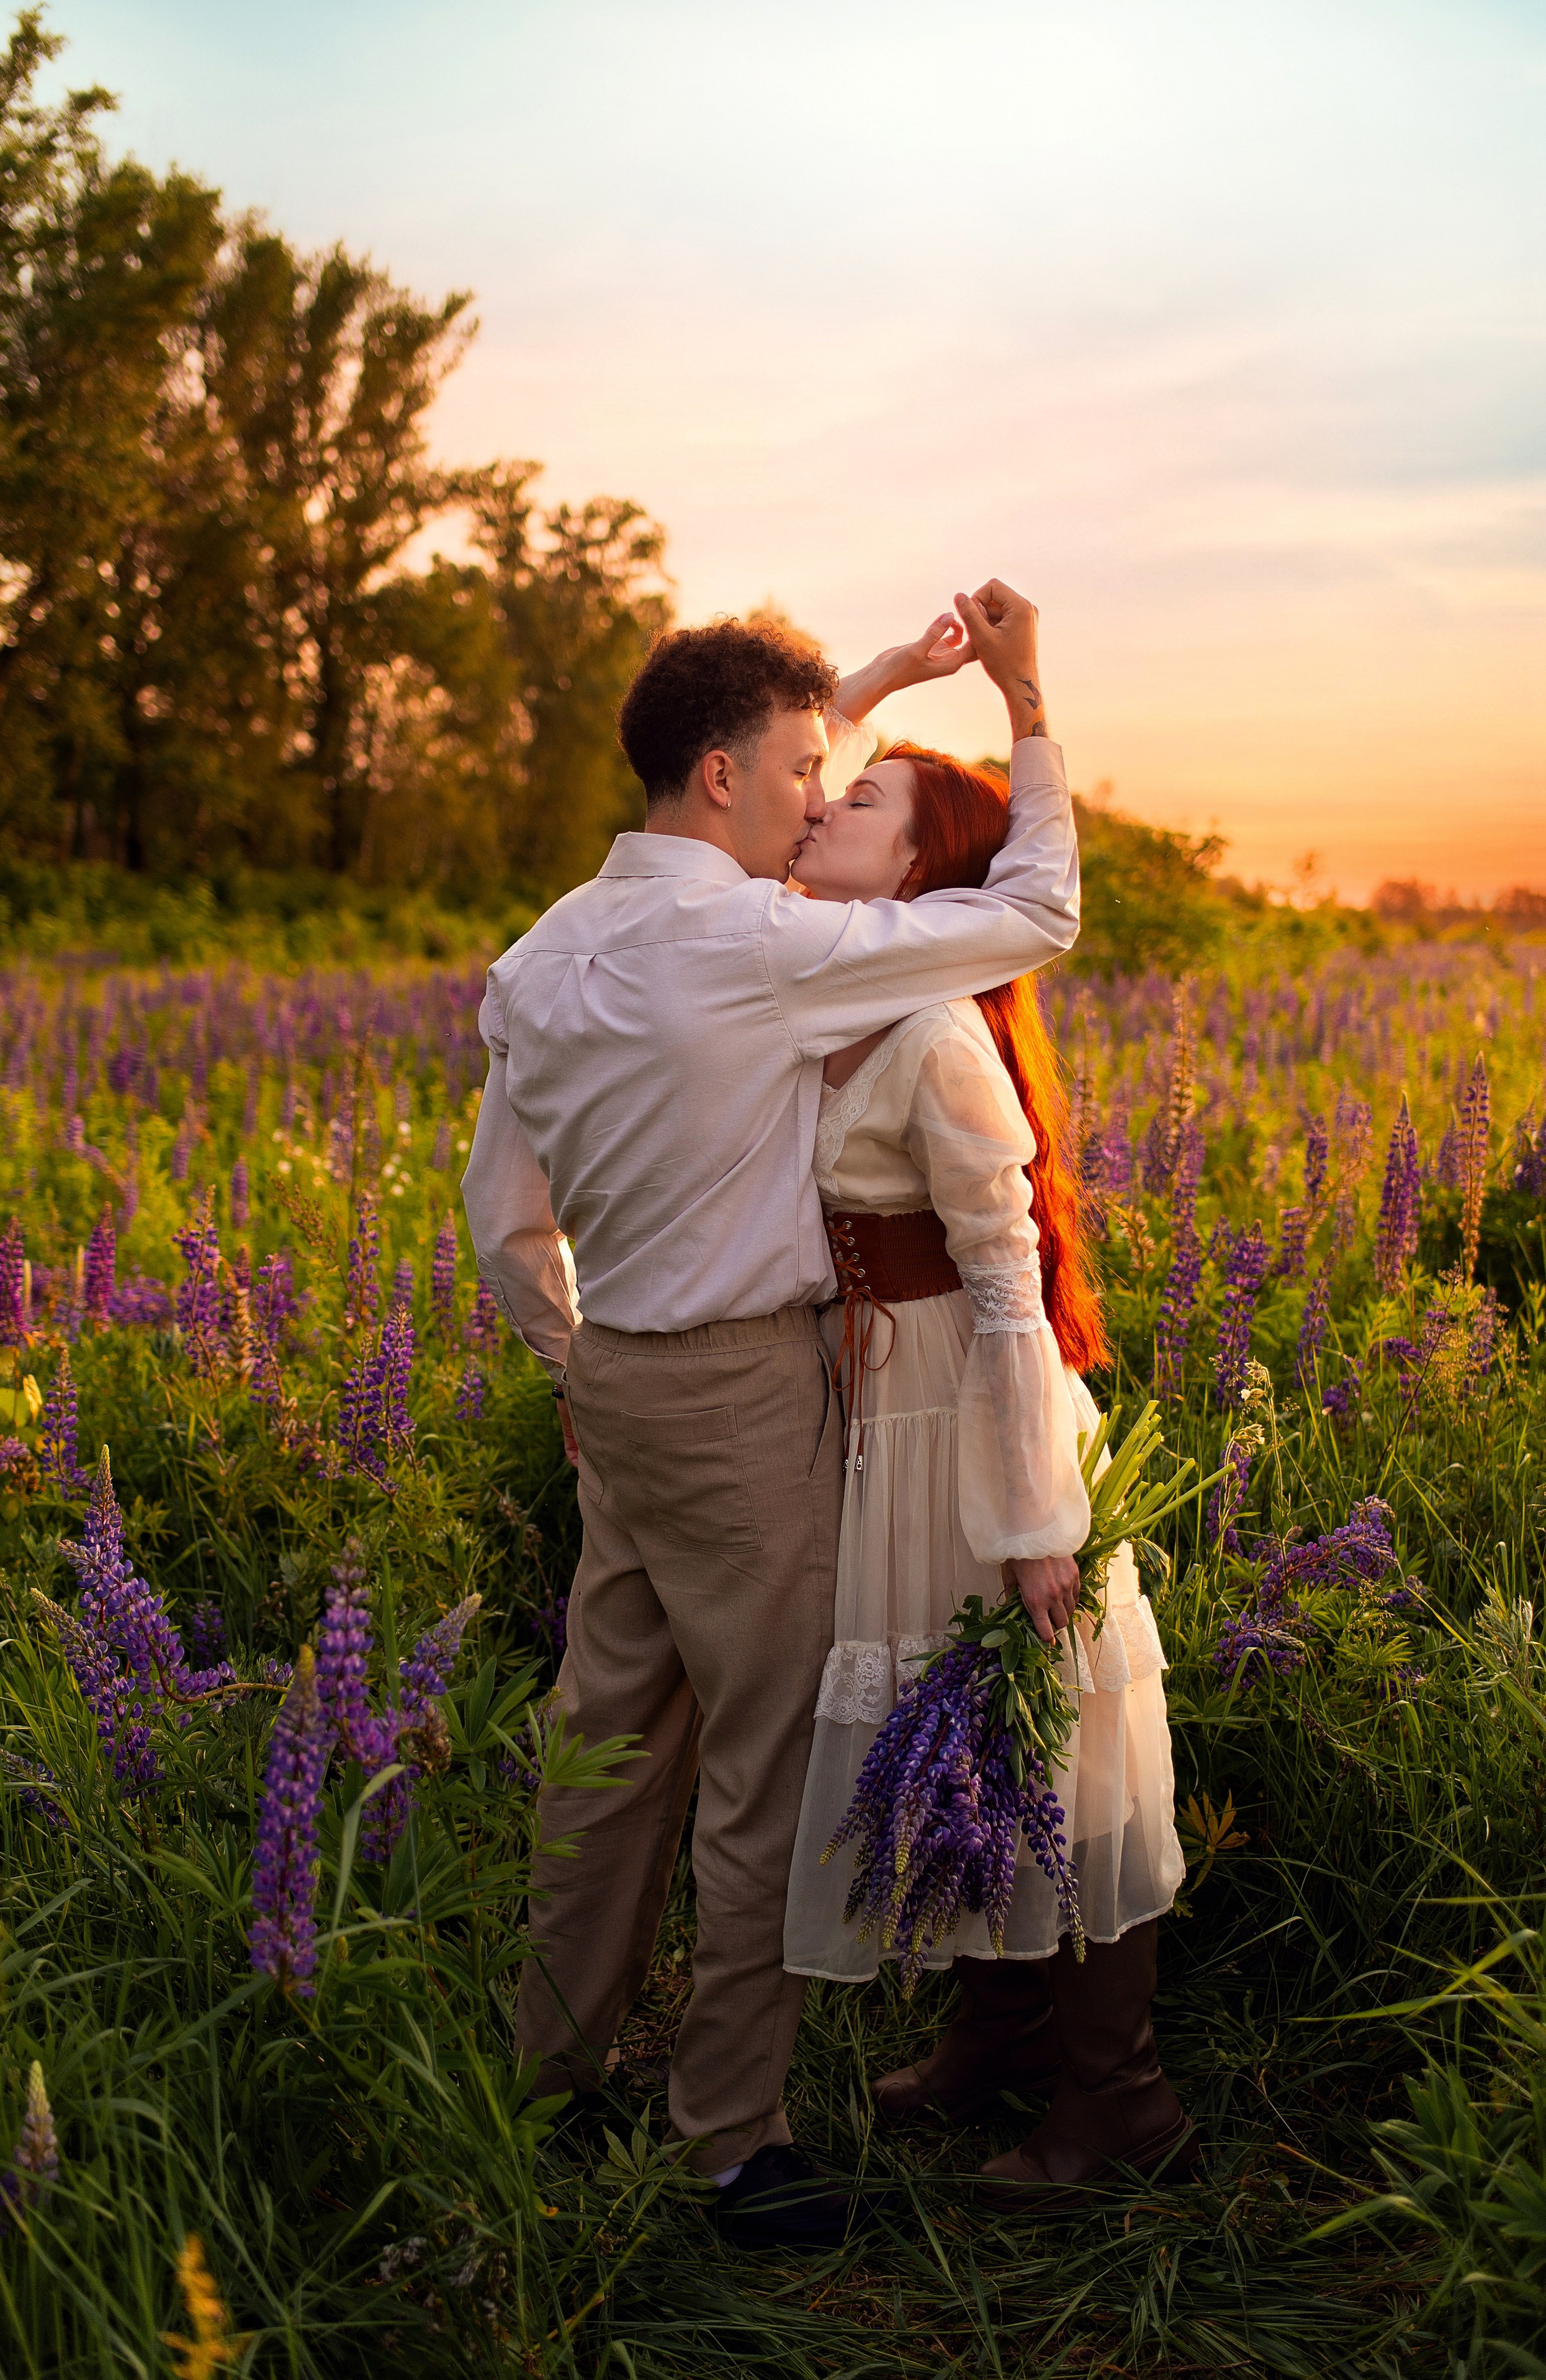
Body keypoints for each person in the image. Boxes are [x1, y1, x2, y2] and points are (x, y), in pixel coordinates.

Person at [461, 582, 1078, 2248]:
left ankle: (550, 2070)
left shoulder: (545, 951)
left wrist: (578, 1365)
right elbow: (1030, 915)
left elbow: (502, 1222)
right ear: (724, 777)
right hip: (742, 1393)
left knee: (602, 1749)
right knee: (753, 1771)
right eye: (807, 768)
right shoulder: (747, 946)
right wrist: (1022, 704)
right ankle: (730, 2138)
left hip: (620, 1389)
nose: (826, 796)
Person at [783, 745, 1192, 2207]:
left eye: (864, 800)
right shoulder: (832, 998)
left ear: (915, 875)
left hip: (978, 1408)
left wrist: (1034, 1518)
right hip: (894, 1416)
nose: (822, 804)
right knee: (956, 1721)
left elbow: (1008, 1280)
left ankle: (1118, 2098)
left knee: (1047, 1729)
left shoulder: (937, 1031)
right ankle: (999, 2029)